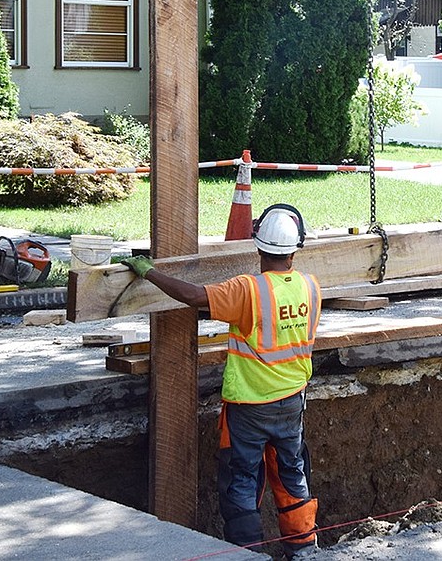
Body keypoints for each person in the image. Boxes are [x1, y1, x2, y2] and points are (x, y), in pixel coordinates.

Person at [125, 204, 320, 559]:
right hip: (292, 403)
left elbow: (194, 297)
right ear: (295, 248)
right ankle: (304, 548)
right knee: (292, 472)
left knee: (243, 479)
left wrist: (149, 272)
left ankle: (247, 552)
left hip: (249, 405)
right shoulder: (310, 287)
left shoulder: (249, 290)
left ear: (259, 247)